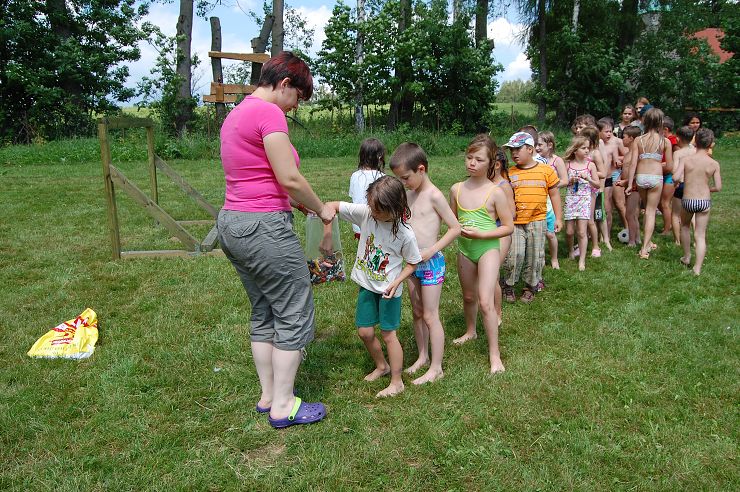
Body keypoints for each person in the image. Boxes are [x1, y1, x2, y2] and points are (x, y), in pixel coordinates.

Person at [217, 51, 333, 429]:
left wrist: (293, 203)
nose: (296, 105)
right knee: (293, 307)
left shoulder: (236, 113)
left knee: (264, 308)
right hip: (263, 228)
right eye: (298, 96)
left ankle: (268, 396)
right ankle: (284, 405)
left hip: (233, 223)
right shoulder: (269, 113)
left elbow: (255, 174)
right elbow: (289, 177)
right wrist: (320, 208)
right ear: (285, 84)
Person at [325, 176, 422, 397]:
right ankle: (382, 366)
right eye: (370, 205)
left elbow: (413, 263)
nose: (372, 211)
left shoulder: (405, 234)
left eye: (377, 209)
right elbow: (331, 206)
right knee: (365, 332)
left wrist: (397, 282)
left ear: (394, 208)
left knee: (388, 335)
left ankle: (397, 381)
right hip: (367, 285)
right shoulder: (367, 213)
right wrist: (327, 236)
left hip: (389, 291)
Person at [389, 143, 461, 385]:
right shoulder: (408, 194)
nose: (403, 183)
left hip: (431, 264)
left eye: (406, 178)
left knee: (430, 315)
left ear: (421, 169)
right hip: (412, 264)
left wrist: (432, 250)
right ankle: (422, 356)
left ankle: (437, 367)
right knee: (417, 312)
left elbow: (455, 228)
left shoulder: (435, 196)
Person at [449, 134, 514, 373]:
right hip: (465, 249)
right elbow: (453, 220)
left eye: (479, 159)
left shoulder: (495, 192)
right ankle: (471, 331)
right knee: (468, 297)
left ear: (491, 163)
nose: (472, 163)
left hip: (487, 249)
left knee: (486, 302)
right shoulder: (456, 189)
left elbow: (508, 226)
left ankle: (494, 354)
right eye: (469, 157)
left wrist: (481, 235)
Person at [501, 132, 561, 304]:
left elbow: (555, 195)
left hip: (538, 220)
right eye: (511, 150)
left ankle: (530, 286)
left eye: (517, 149)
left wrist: (558, 218)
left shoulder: (546, 171)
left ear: (530, 149)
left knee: (535, 255)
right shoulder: (509, 173)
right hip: (515, 222)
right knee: (515, 254)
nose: (514, 153)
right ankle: (508, 284)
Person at [625, 107, 673, 260]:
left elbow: (633, 164)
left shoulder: (638, 140)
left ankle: (648, 241)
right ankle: (644, 248)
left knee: (646, 210)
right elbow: (670, 166)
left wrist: (629, 184)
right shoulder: (665, 141)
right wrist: (658, 165)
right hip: (655, 178)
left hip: (640, 177)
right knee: (651, 212)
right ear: (660, 122)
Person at [675, 128, 721, 275]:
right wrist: (708, 189)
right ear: (711, 144)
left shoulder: (686, 160)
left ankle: (687, 256)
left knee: (685, 226)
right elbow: (718, 187)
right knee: (700, 235)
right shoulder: (714, 163)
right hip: (704, 201)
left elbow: (675, 177)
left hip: (688, 200)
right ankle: (697, 268)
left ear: (695, 142)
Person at [563, 136, 601, 271]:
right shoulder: (567, 165)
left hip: (585, 199)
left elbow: (597, 184)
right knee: (569, 231)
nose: (587, 150)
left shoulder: (590, 165)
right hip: (571, 199)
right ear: (575, 150)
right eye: (583, 148)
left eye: (588, 148)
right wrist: (570, 181)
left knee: (581, 231)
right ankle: (570, 251)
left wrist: (589, 178)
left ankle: (582, 260)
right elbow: (562, 182)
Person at [536, 131, 568, 269]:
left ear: (549, 145)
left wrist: (551, 186)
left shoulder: (557, 160)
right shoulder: (534, 161)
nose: (537, 148)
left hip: (551, 203)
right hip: (538, 201)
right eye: (536, 145)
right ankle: (541, 258)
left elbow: (565, 180)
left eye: (540, 145)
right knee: (538, 234)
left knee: (550, 233)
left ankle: (554, 259)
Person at [491, 149, 515, 324]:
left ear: (497, 165)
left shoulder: (503, 186)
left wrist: (492, 215)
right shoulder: (482, 184)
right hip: (484, 233)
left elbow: (512, 213)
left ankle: (497, 313)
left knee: (491, 273)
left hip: (501, 232)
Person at [581, 126, 611, 255]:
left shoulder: (595, 153)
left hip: (594, 189)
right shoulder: (583, 152)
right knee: (585, 216)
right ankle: (584, 239)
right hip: (583, 189)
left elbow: (603, 173)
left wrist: (588, 172)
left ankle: (606, 240)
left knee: (599, 215)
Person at [349, 138, 386, 239]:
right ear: (380, 157)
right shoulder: (382, 178)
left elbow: (353, 196)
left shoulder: (354, 176)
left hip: (357, 224)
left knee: (363, 247)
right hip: (376, 225)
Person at [615, 125, 643, 246]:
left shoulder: (636, 154)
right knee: (633, 214)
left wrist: (626, 182)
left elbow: (639, 172)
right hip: (628, 187)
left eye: (624, 137)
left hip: (635, 187)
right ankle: (637, 238)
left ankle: (632, 241)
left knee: (630, 214)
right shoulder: (628, 153)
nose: (622, 139)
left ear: (631, 138)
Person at [670, 126, 696, 245]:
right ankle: (696, 240)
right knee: (693, 214)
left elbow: (675, 171)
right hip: (694, 185)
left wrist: (675, 183)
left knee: (675, 214)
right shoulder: (696, 151)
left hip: (681, 185)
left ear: (678, 139)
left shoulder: (678, 153)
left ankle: (677, 241)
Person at [659, 116, 678, 236]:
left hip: (670, 175)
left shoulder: (673, 140)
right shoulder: (663, 140)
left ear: (665, 129)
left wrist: (667, 164)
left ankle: (667, 230)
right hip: (662, 174)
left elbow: (678, 157)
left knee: (665, 203)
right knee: (659, 203)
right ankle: (670, 221)